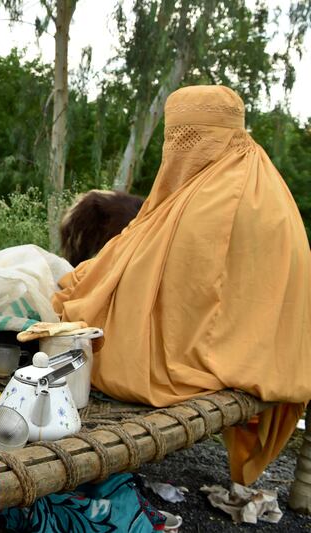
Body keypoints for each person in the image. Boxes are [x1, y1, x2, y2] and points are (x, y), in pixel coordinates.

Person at [52, 85, 311, 486]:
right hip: (278, 351)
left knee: (86, 322)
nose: (176, 151)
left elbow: (170, 298)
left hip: (209, 356)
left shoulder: (209, 201)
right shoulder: (271, 189)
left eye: (182, 139)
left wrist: (93, 283)